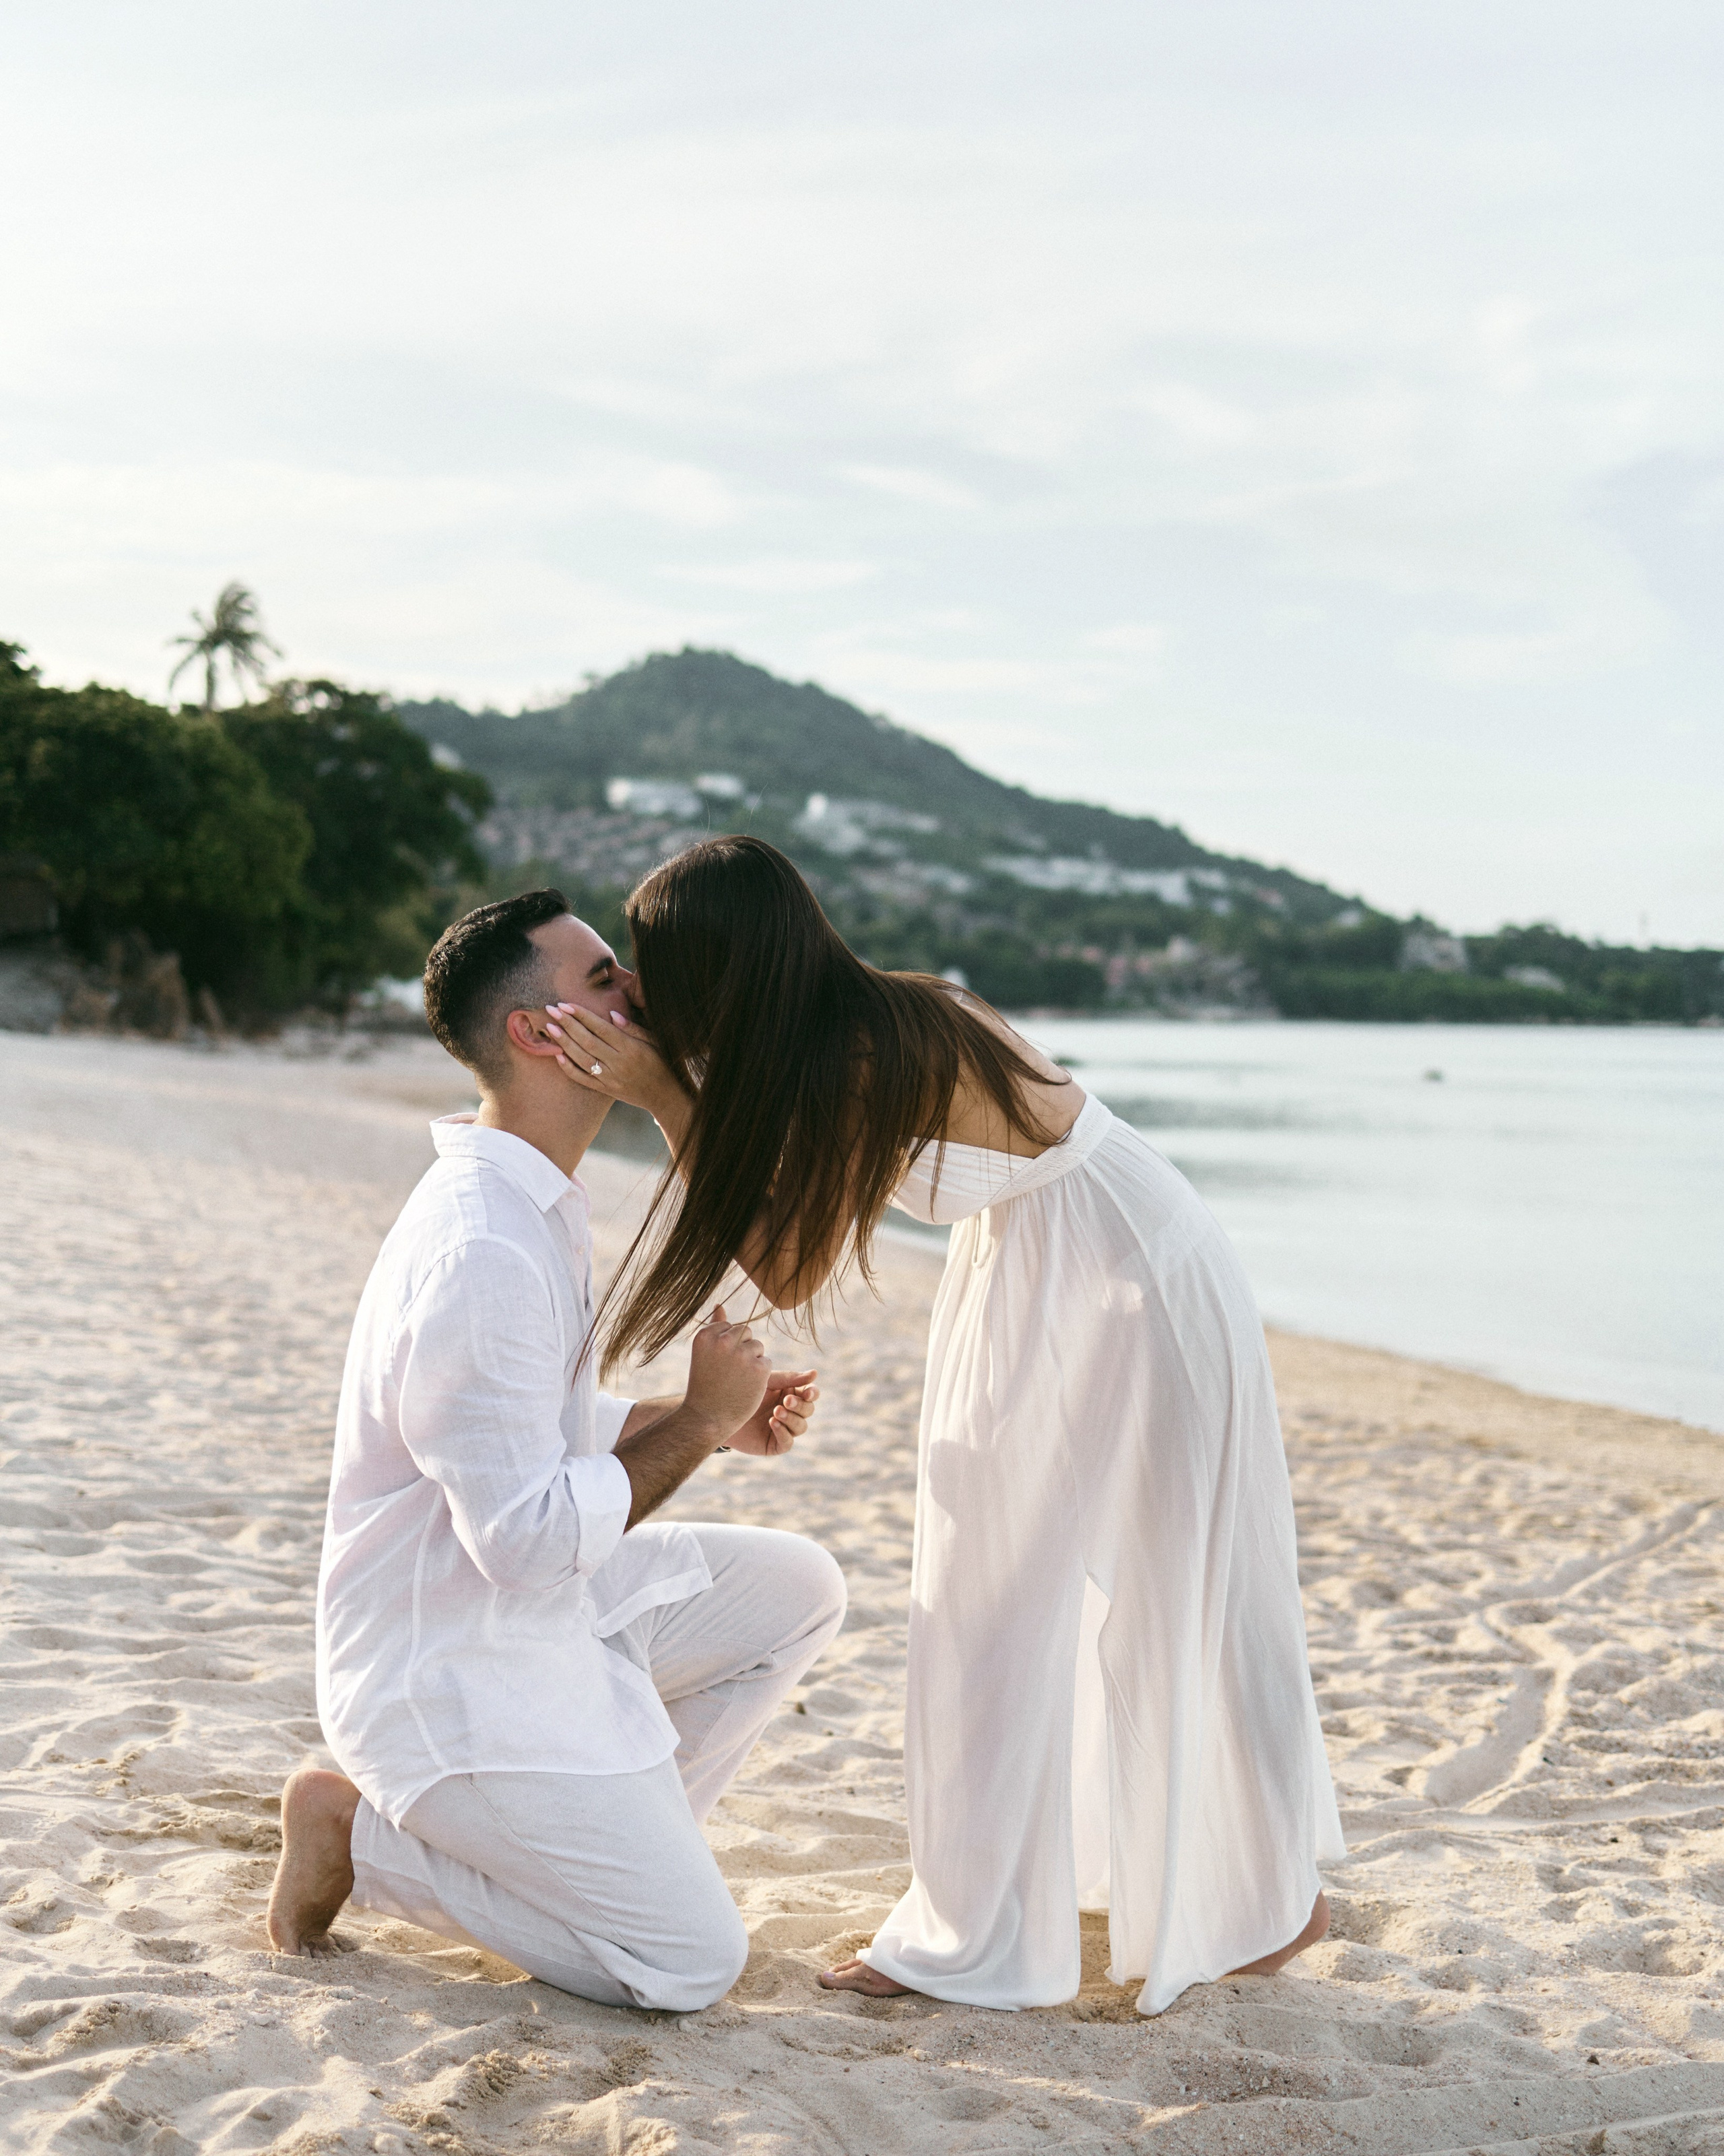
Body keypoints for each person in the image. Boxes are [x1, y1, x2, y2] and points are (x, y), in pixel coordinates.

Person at [543, 836, 1344, 2017]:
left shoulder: (864, 1052)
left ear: (722, 966)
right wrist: (677, 1089)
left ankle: (1269, 1897)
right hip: (1045, 1268)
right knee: (988, 1586)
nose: (642, 984)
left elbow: (785, 1266)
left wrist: (664, 1095)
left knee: (1179, 1582)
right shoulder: (841, 1031)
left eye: (652, 958)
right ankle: (1034, 1902)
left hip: (1132, 1275)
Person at [266, 888, 846, 2013]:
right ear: (541, 1032)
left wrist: (704, 1417)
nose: (638, 989)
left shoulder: (529, 1196)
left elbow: (535, 1428)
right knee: (690, 1965)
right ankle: (359, 1838)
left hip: (526, 1618)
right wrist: (696, 1422)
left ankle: (609, 1867)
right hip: (448, 1673)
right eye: (604, 979)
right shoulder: (483, 1243)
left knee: (799, 1589)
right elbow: (527, 1542)